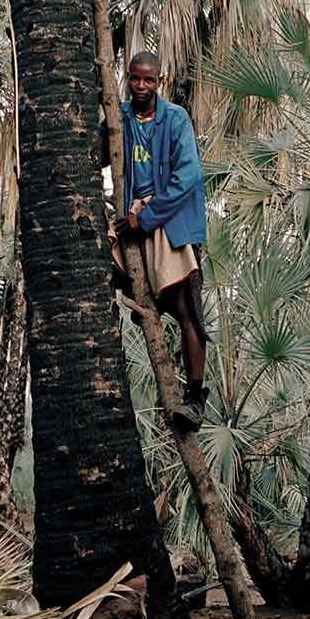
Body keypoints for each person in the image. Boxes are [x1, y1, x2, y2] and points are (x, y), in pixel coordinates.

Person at [114, 53, 210, 431]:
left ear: (160, 81)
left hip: (167, 222)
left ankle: (196, 397)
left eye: (149, 81)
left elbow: (188, 176)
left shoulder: (175, 119)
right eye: (135, 79)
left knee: (188, 309)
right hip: (131, 218)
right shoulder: (119, 117)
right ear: (126, 79)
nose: (141, 87)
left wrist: (148, 218)